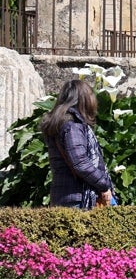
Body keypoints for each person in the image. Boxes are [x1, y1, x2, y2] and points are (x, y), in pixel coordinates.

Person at [41, 79, 115, 210]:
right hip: (78, 199)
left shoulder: (61, 123)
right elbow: (81, 163)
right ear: (85, 100)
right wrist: (104, 185)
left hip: (65, 196)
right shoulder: (72, 126)